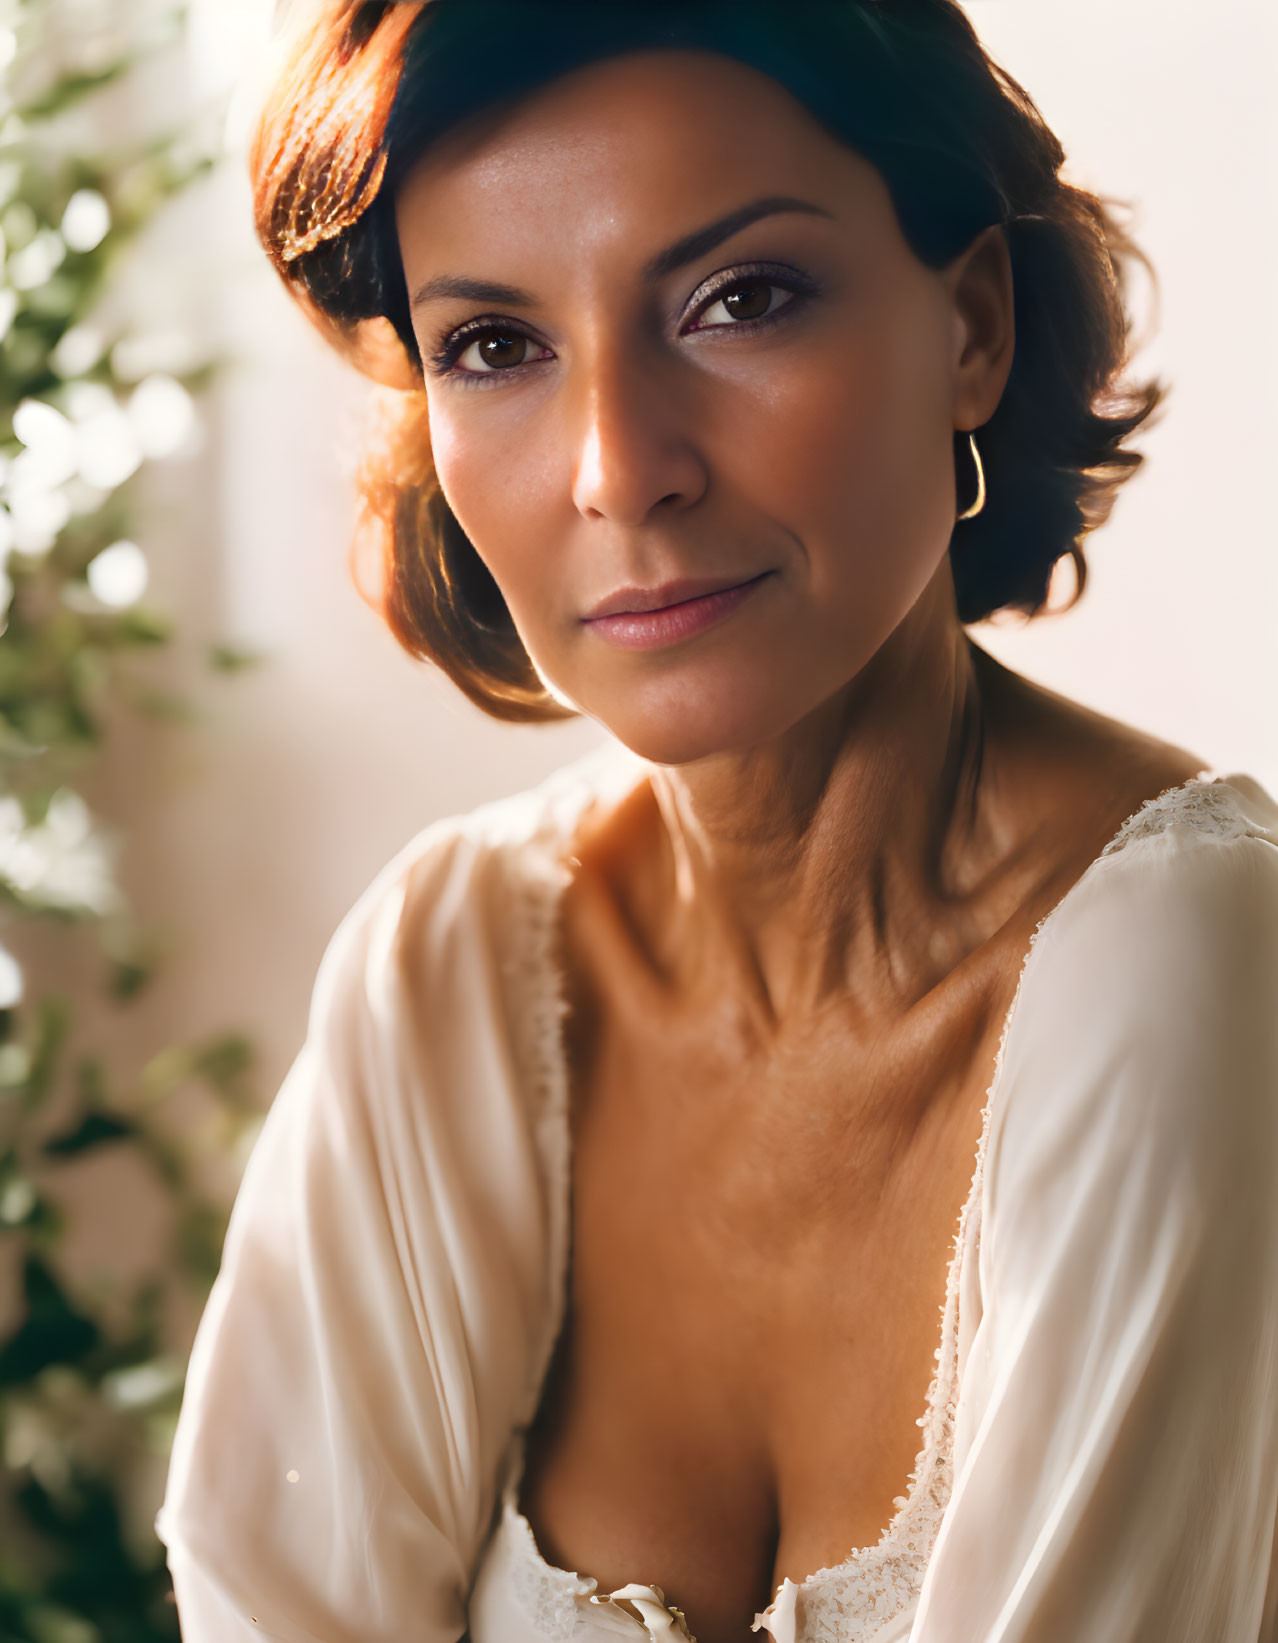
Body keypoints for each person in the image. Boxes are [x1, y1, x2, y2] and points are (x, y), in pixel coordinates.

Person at [155, 3, 1278, 1640]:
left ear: (971, 326)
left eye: (738, 300)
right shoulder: (447, 971)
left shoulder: (1189, 968)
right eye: (493, 344)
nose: (619, 467)